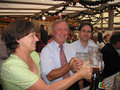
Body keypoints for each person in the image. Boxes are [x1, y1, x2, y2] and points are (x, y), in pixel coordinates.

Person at [1, 19, 92, 90]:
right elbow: (46, 87)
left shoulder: (34, 55)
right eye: (32, 35)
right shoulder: (11, 66)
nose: (37, 39)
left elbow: (40, 80)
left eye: (65, 30)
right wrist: (78, 74)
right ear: (18, 38)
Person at [40, 19, 86, 90]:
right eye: (59, 29)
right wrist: (69, 66)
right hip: (56, 87)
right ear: (52, 32)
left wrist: (82, 88)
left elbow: (77, 71)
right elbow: (50, 77)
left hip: (73, 85)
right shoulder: (46, 51)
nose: (63, 32)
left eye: (65, 29)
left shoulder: (71, 47)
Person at [70, 22, 97, 89]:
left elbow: (97, 64)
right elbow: (73, 69)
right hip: (74, 80)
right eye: (83, 31)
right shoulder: (71, 47)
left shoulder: (94, 46)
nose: (86, 34)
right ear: (79, 32)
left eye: (88, 31)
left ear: (91, 34)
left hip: (89, 79)